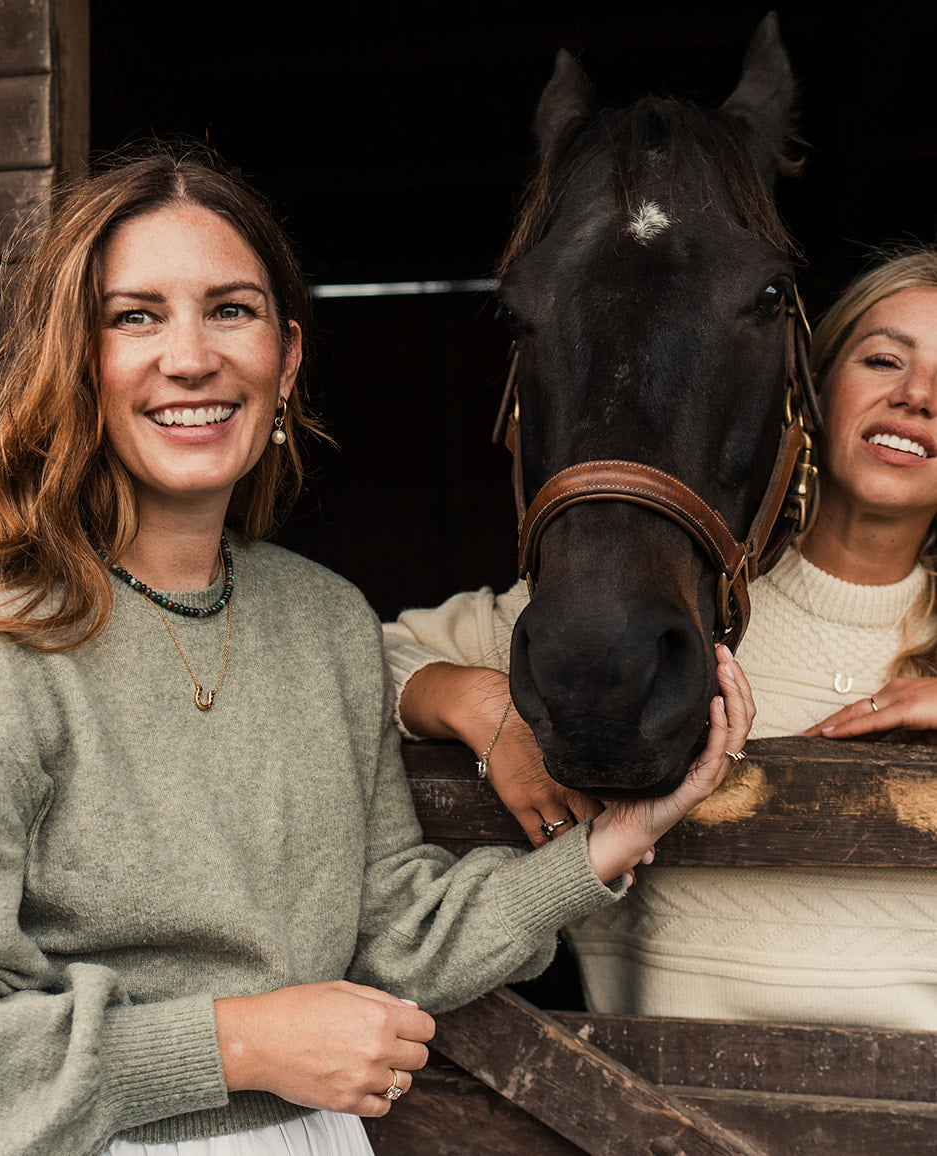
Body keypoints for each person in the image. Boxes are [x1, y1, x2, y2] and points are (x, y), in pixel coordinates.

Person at [0, 149, 751, 1156]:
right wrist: (236, 1046)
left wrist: (608, 845)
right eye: (135, 316)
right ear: (75, 357)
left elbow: (386, 928)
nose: (191, 356)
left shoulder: (325, 619)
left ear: (286, 360)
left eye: (230, 310)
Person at [384, 246, 937, 1031]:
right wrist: (470, 699)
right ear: (806, 392)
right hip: (652, 1121)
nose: (916, 396)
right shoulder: (660, 612)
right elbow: (352, 658)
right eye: (884, 359)